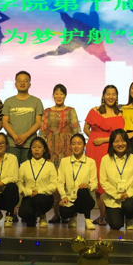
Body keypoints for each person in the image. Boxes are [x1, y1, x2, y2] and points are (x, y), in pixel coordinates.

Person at [84, 85, 124, 226]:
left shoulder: (120, 114)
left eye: (113, 94)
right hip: (94, 148)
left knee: (107, 180)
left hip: (110, 148)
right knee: (96, 181)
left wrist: (103, 140)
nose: (110, 97)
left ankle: (106, 214)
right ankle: (101, 215)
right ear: (103, 96)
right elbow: (85, 129)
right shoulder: (94, 111)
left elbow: (119, 135)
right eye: (108, 94)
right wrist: (94, 138)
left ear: (117, 97)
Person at [40, 83, 81, 223]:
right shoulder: (47, 111)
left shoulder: (71, 110)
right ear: (53, 95)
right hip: (51, 150)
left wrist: (76, 149)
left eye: (61, 93)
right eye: (56, 93)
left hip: (67, 149)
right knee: (54, 181)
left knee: (69, 180)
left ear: (65, 95)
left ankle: (71, 214)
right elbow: (42, 132)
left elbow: (76, 131)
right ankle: (56, 214)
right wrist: (42, 151)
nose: (59, 96)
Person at [100, 129, 133, 231]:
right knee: (115, 225)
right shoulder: (105, 160)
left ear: (127, 142)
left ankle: (129, 218)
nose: (120, 144)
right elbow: (103, 181)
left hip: (130, 197)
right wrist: (117, 194)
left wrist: (129, 193)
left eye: (123, 141)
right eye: (116, 141)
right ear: (112, 143)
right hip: (113, 198)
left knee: (129, 205)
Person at [57, 134, 98, 230]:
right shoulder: (64, 161)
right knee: (63, 212)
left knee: (82, 191)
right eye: (73, 144)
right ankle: (72, 217)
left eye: (79, 144)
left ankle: (88, 220)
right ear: (70, 146)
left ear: (84, 145)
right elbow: (60, 182)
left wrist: (88, 186)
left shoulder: (90, 162)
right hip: (70, 198)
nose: (76, 146)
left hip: (84, 199)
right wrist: (63, 196)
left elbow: (94, 184)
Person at [2, 71, 44, 164]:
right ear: (15, 84)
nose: (22, 83)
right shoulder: (8, 101)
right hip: (12, 143)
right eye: (19, 81)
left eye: (25, 81)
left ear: (30, 84)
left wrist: (25, 136)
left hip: (30, 144)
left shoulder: (37, 101)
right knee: (11, 170)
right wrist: (15, 137)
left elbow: (38, 123)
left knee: (28, 171)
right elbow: (4, 122)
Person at [17, 137, 58, 227]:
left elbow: (54, 184)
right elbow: (19, 182)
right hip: (29, 195)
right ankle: (33, 217)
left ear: (44, 149)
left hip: (44, 197)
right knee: (23, 213)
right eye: (34, 147)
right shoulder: (24, 165)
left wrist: (39, 191)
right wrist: (27, 192)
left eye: (39, 147)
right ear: (30, 149)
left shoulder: (49, 165)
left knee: (38, 199)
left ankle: (42, 215)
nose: (36, 149)